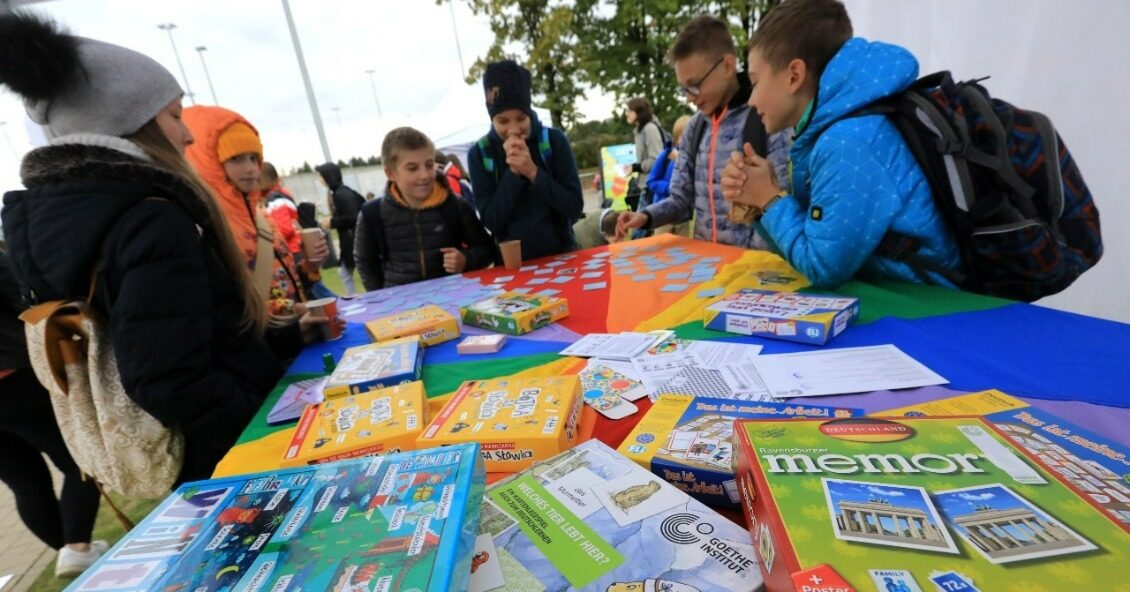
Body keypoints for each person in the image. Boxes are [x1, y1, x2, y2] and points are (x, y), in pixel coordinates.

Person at [0, 13, 284, 487]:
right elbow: (169, 376)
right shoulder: (150, 219)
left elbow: (186, 334)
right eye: (174, 115)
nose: (189, 134)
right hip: (228, 454)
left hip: (186, 458)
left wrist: (287, 334)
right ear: (129, 122)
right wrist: (257, 430)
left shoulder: (63, 217)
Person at [721, 0, 960, 288]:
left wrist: (769, 198)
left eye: (755, 81)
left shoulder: (849, 142)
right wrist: (759, 202)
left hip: (930, 307)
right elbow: (807, 245)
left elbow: (822, 267)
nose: (751, 100)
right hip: (899, 296)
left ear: (794, 75)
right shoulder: (834, 130)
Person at [615, 16, 792, 248]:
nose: (689, 96)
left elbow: (785, 202)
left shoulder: (767, 118)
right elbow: (681, 200)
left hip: (756, 273)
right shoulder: (695, 128)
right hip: (709, 267)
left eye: (695, 84)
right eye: (683, 88)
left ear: (728, 66)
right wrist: (647, 216)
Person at [183, 105, 335, 360]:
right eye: (237, 159)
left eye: (254, 158)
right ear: (206, 161)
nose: (251, 168)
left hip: (297, 342)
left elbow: (285, 281)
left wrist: (310, 266)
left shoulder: (262, 218)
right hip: (261, 354)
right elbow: (226, 310)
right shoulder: (205, 230)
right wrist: (291, 309)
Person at [0, 250, 104, 577]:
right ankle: (75, 547)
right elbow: (25, 305)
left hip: (12, 380)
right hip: (14, 377)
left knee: (26, 482)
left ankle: (72, 552)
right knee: (81, 458)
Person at [468, 60, 584, 262]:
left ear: (529, 113)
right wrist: (513, 174)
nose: (513, 129)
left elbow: (573, 208)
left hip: (563, 257)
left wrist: (532, 172)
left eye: (521, 118)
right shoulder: (479, 154)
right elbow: (491, 222)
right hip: (511, 265)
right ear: (492, 119)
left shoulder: (554, 141)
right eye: (503, 121)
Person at [354, 127, 497, 291]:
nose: (425, 175)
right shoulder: (371, 213)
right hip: (401, 309)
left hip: (454, 299)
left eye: (429, 165)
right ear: (390, 173)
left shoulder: (456, 206)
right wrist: (382, 298)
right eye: (413, 168)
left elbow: (486, 249)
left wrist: (465, 260)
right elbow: (365, 261)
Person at [315, 162, 365, 296]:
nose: (319, 180)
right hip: (351, 241)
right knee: (345, 273)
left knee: (353, 273)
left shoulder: (341, 194)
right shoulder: (339, 192)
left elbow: (353, 217)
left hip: (354, 241)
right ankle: (355, 299)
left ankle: (358, 300)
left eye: (320, 176)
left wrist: (332, 222)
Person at [625, 97, 667, 210]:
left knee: (642, 226)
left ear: (638, 112)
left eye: (629, 110)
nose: (626, 113)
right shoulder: (640, 131)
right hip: (647, 186)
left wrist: (635, 167)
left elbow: (656, 159)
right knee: (643, 226)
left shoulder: (650, 129)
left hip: (653, 186)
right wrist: (633, 167)